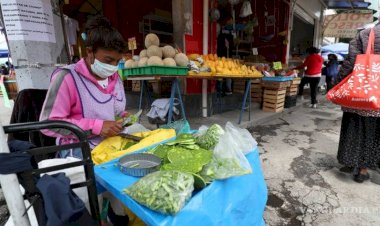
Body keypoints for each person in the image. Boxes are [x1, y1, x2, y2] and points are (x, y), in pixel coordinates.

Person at [40, 15, 129, 224]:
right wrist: (97, 126)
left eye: (118, 61)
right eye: (108, 61)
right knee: (89, 204)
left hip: (111, 144)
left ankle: (117, 216)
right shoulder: (67, 77)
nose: (113, 67)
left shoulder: (115, 78)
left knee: (124, 188)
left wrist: (121, 118)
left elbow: (114, 110)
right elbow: (49, 123)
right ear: (90, 53)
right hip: (78, 150)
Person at [335, 25, 380, 183]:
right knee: (374, 134)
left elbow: (350, 62)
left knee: (353, 128)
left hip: (360, 93)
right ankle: (363, 170)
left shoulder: (366, 34)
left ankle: (349, 162)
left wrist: (338, 83)